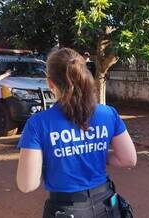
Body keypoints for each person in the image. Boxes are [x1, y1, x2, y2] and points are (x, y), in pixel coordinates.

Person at [16, 48, 137, 218]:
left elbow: (27, 184)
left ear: (50, 83)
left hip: (67, 209)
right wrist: (95, 151)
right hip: (107, 205)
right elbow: (128, 159)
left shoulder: (38, 124)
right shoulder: (108, 114)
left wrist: (56, 158)